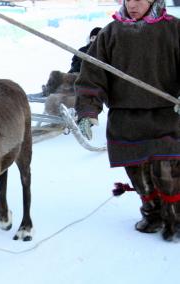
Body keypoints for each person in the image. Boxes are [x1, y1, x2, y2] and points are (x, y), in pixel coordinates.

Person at [75, 0, 180, 241]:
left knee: (166, 174)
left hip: (167, 116)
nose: (133, 4)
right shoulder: (110, 33)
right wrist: (88, 111)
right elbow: (92, 76)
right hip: (126, 120)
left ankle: (175, 218)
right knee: (139, 176)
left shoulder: (173, 29)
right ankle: (153, 215)